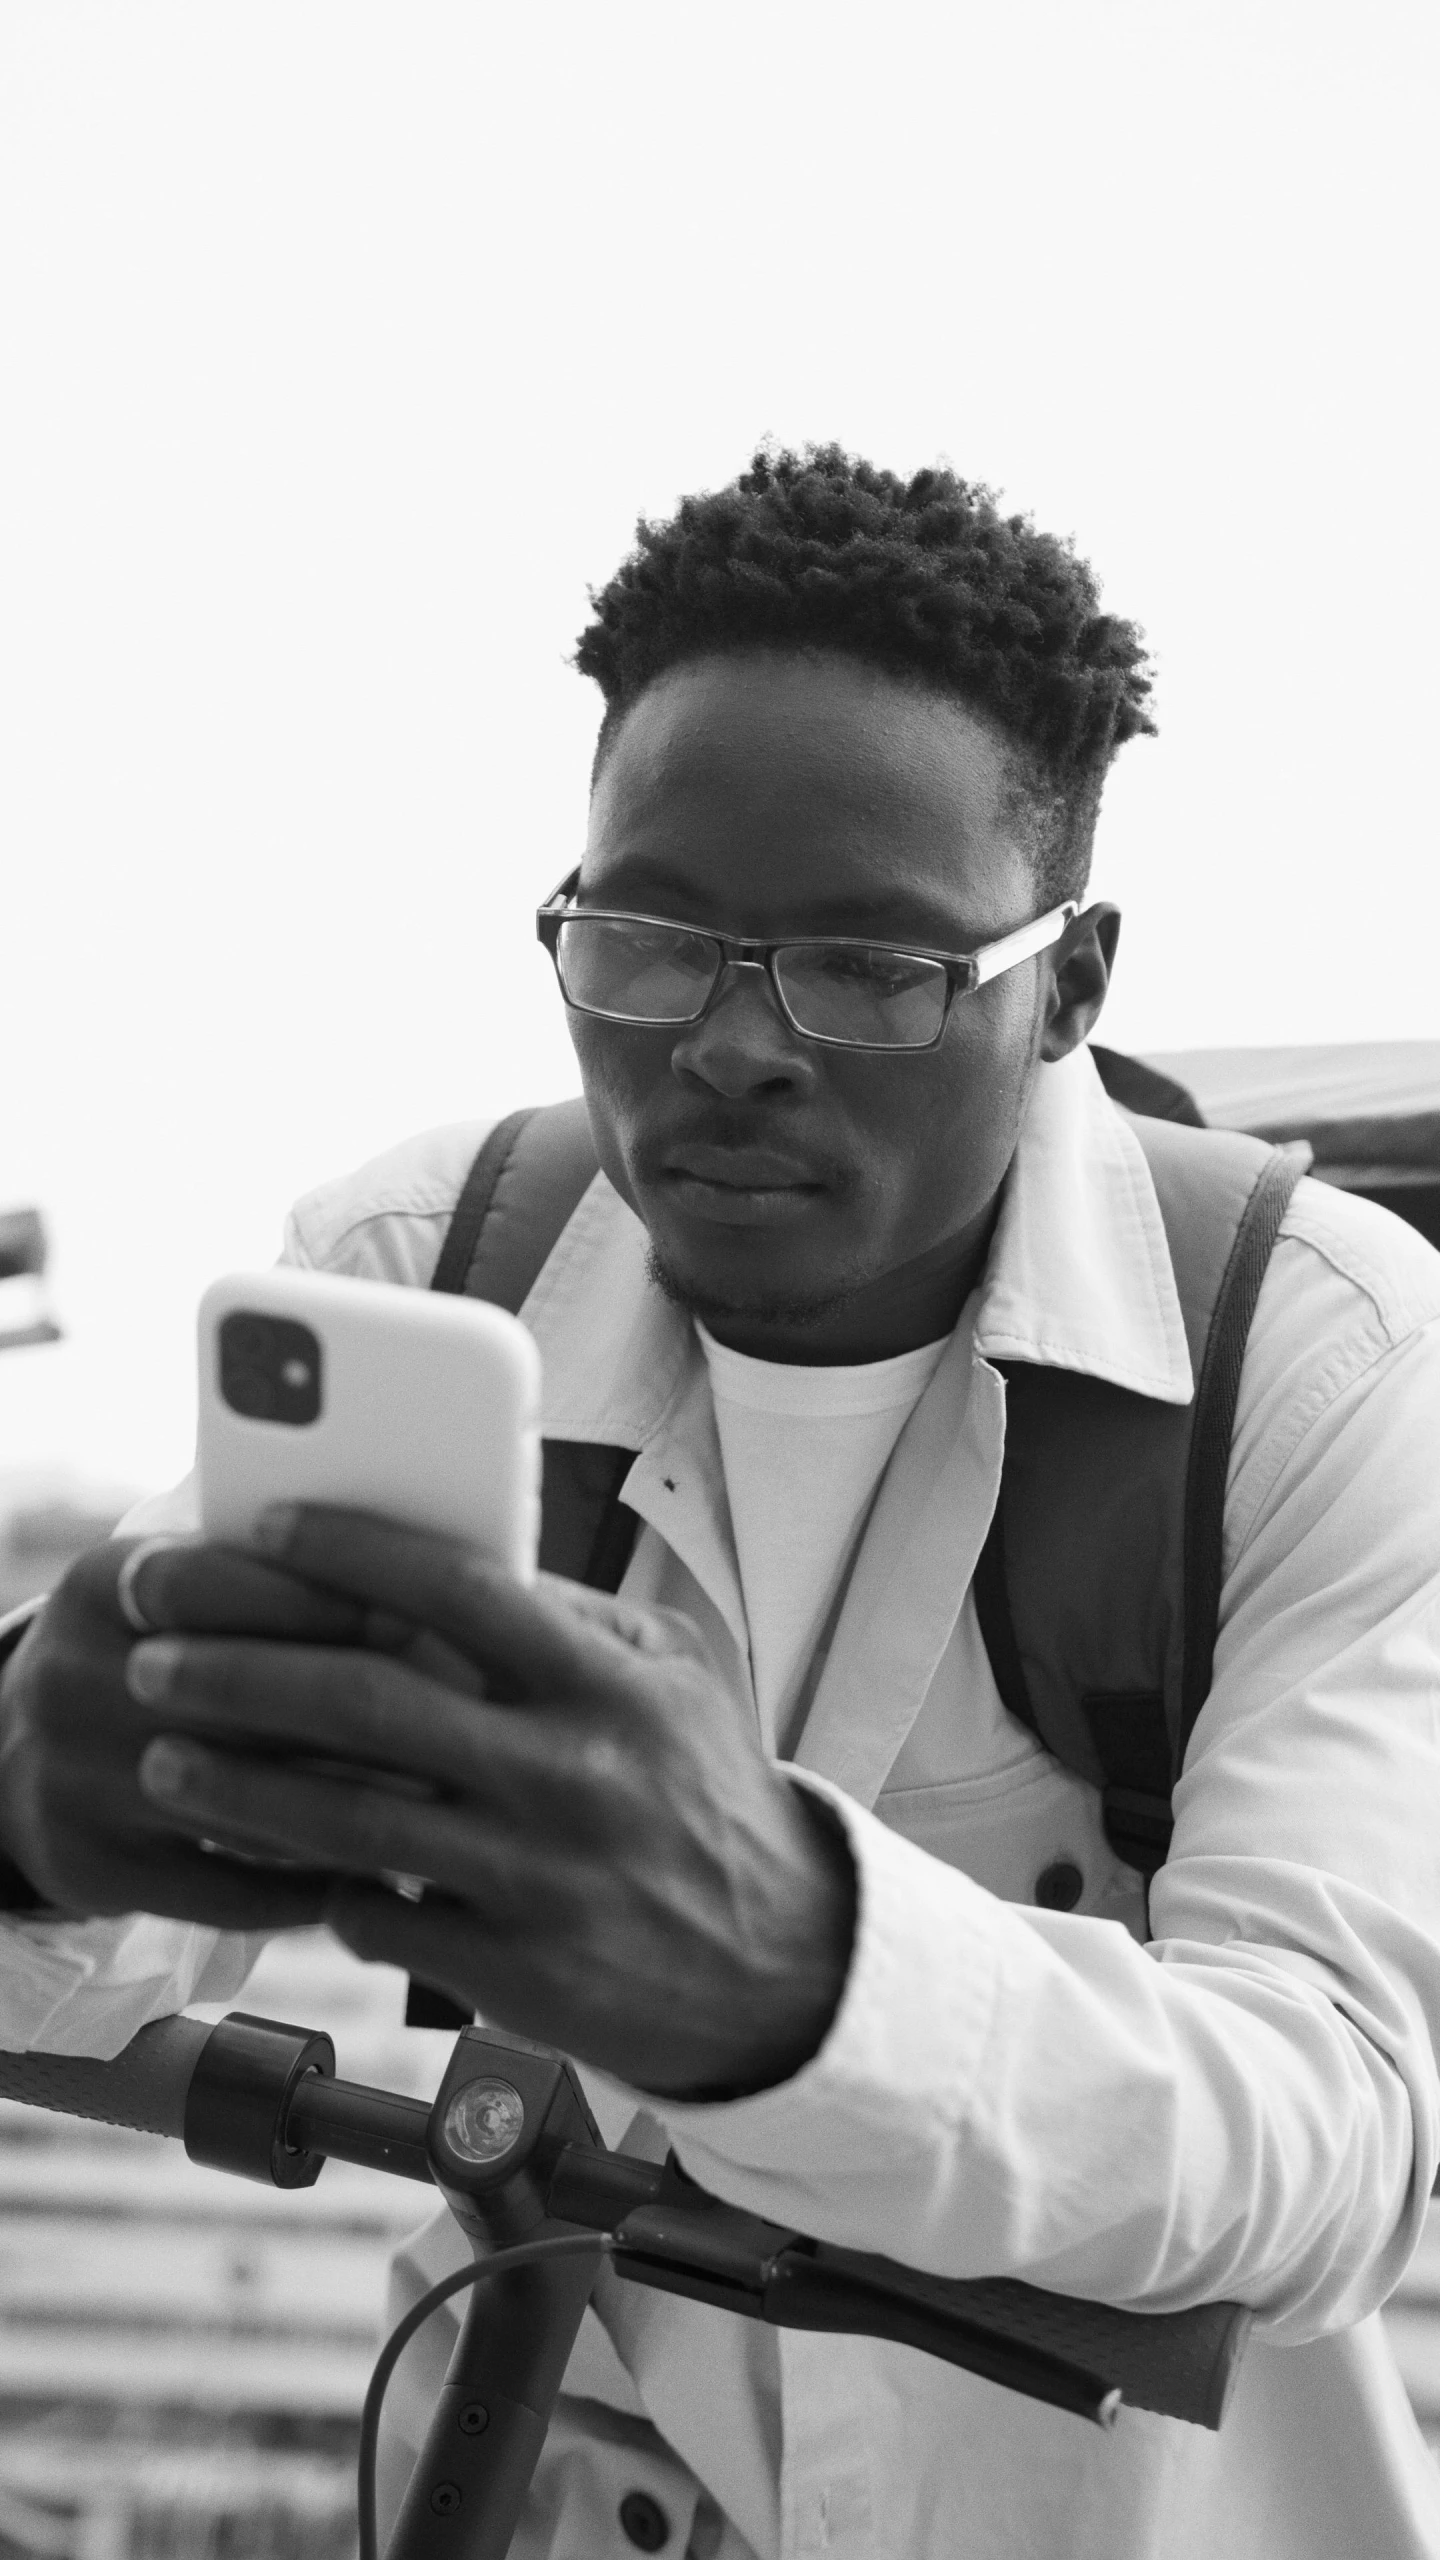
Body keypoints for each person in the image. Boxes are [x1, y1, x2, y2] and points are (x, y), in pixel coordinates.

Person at [1, 445, 1439, 2560]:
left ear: (1076, 976)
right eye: (652, 939)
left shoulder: (1328, 1352)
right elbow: (107, 1943)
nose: (737, 1045)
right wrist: (34, 1824)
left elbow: (1332, 2137)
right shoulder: (427, 1260)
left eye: (875, 969)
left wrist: (788, 1962)